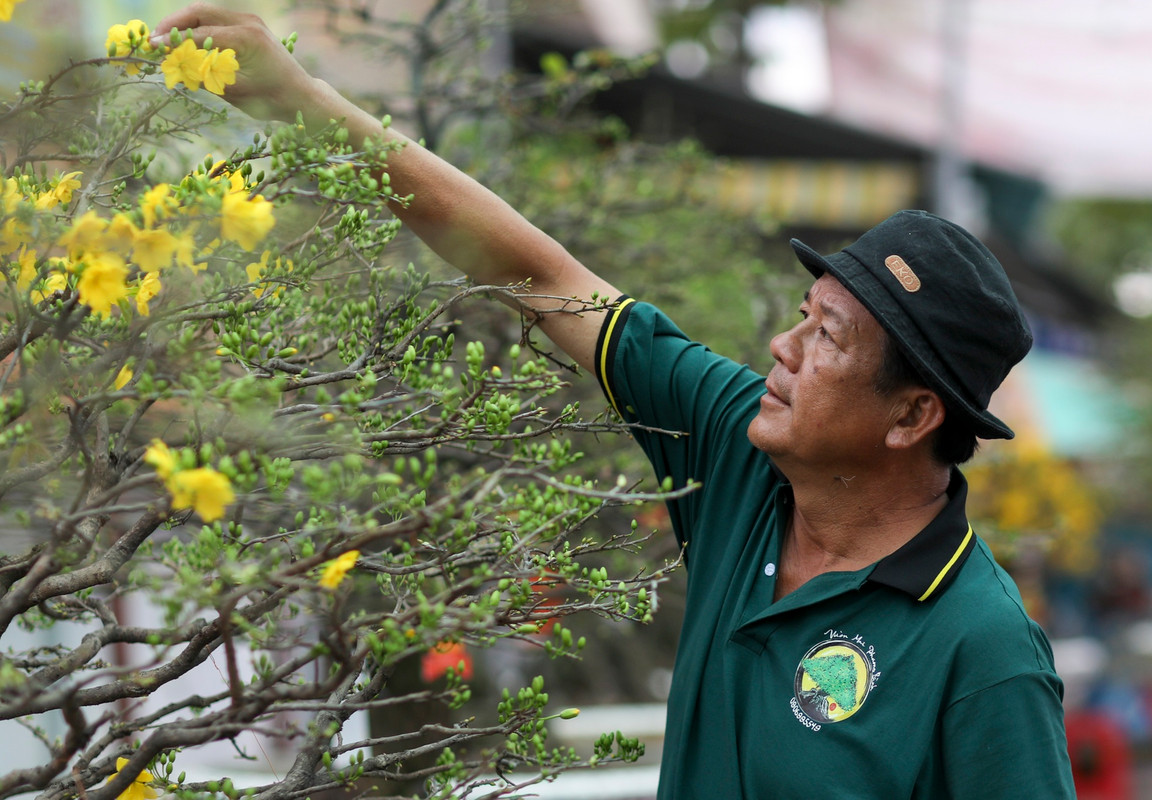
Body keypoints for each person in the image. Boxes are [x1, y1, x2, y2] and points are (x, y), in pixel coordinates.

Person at [153, 5, 1076, 797]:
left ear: (913, 416)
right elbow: (536, 272)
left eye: (828, 339)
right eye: (804, 314)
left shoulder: (981, 652)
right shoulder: (737, 453)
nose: (782, 348)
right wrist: (298, 101)